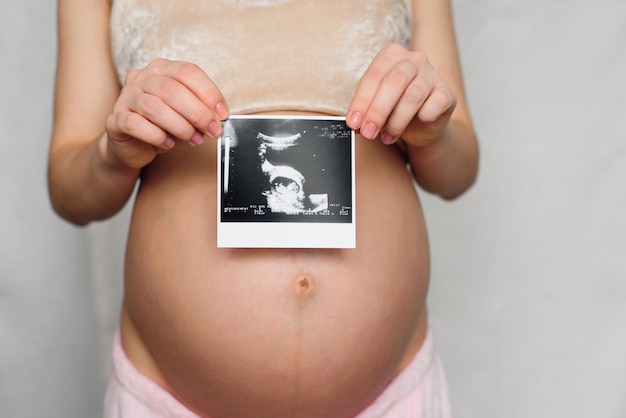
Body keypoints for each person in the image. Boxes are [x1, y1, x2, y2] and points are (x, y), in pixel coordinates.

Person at [48, 0, 478, 416]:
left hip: (392, 394)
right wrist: (112, 153)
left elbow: (457, 172)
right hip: (169, 396)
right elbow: (69, 192)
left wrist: (433, 134)